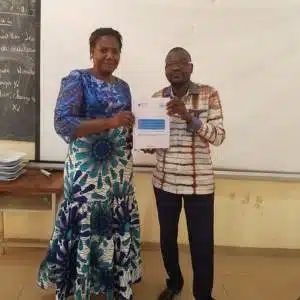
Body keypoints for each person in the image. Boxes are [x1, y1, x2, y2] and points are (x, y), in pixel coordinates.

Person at [37, 28, 142, 300]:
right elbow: (63, 124)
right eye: (103, 50)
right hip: (86, 172)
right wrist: (110, 122)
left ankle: (112, 284)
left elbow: (125, 126)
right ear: (92, 52)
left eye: (115, 51)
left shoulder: (123, 87)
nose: (109, 56)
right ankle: (79, 285)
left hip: (118, 172)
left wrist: (143, 137)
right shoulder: (77, 80)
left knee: (113, 225)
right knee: (86, 224)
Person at [146, 47, 225, 300]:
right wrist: (142, 139)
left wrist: (188, 116)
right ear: (165, 69)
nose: (176, 68)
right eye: (170, 64)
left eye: (181, 63)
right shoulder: (157, 98)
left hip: (199, 184)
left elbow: (219, 136)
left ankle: (203, 294)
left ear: (191, 67)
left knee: (201, 243)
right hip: (164, 181)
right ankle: (174, 283)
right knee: (167, 239)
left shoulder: (208, 94)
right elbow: (152, 142)